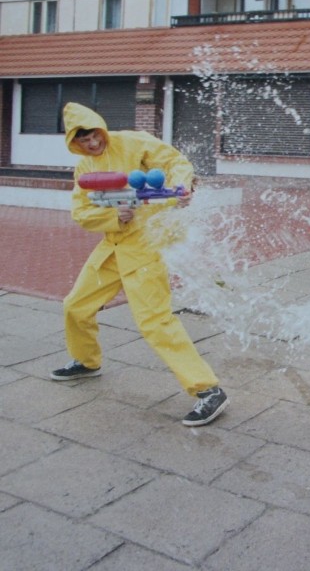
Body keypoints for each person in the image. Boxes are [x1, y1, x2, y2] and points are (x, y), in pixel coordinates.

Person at [51, 102, 229, 427]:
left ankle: (208, 390)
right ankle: (87, 361)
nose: (92, 144)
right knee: (75, 305)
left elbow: (174, 162)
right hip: (113, 245)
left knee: (154, 321)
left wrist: (182, 186)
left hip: (145, 245)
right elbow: (81, 213)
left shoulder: (133, 142)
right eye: (83, 142)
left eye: (93, 136)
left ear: (100, 127)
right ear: (74, 144)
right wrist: (113, 216)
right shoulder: (83, 169)